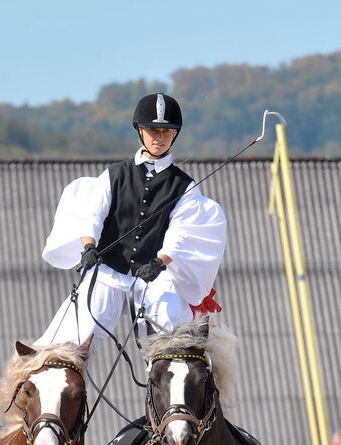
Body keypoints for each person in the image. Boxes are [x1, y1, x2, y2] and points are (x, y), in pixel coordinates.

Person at [34, 92, 226, 351]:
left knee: (178, 342)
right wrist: (89, 247)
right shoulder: (114, 175)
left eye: (166, 132)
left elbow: (179, 235)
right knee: (72, 339)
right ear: (139, 130)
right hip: (107, 271)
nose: (159, 137)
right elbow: (92, 215)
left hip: (154, 276)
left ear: (175, 134)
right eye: (152, 130)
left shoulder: (185, 187)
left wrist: (160, 262)